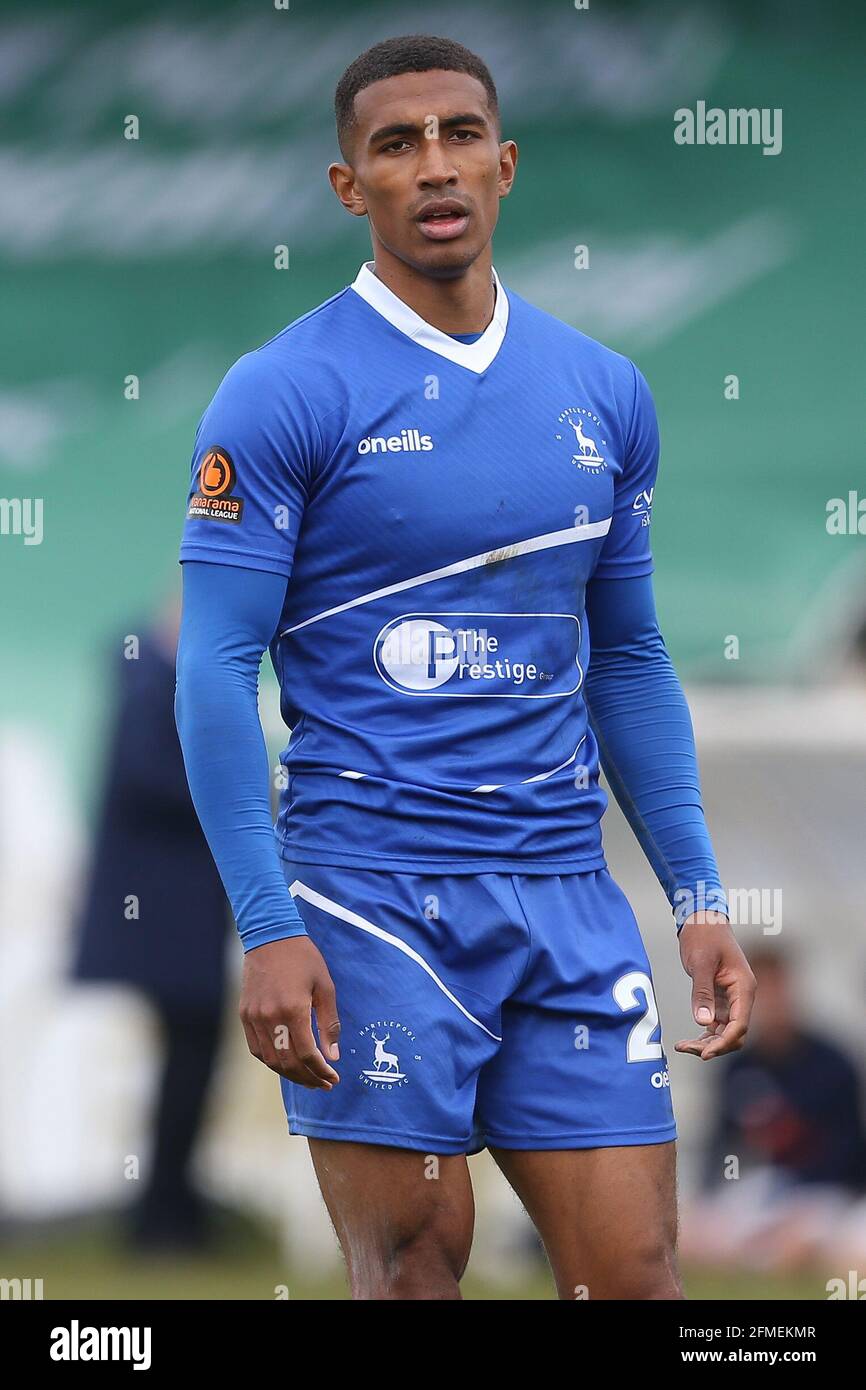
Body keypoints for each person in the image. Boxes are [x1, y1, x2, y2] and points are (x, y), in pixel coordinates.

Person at [175, 34, 755, 1300]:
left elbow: (632, 655)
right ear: (349, 186)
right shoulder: (282, 391)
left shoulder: (602, 391)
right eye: (395, 143)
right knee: (413, 1273)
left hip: (565, 898)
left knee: (638, 1278)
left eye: (455, 136)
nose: (431, 165)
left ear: (503, 165)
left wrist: (698, 894)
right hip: (370, 898)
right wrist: (267, 925)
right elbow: (214, 666)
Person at [73, 598, 230, 1250]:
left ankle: (172, 1203)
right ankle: (163, 1214)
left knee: (189, 1059)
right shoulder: (151, 680)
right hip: (164, 922)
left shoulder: (148, 674)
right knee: (187, 1058)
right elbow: (147, 777)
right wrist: (238, 788)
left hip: (172, 919)